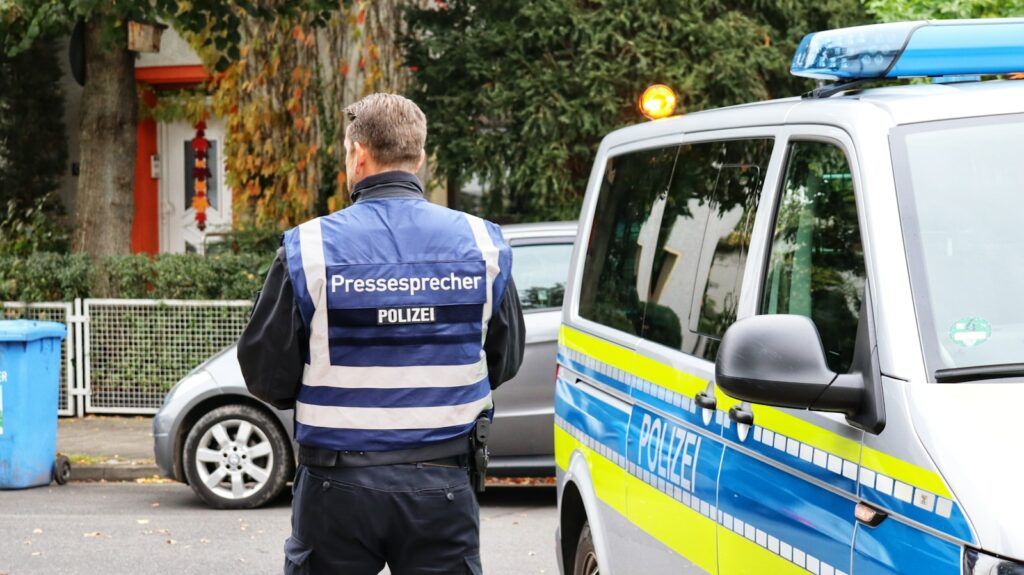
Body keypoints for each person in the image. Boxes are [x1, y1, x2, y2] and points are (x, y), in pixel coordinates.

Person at [237, 93, 525, 575]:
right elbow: (505, 358)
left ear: (358, 154)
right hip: (443, 483)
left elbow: (267, 375)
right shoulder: (483, 243)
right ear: (421, 157)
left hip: (336, 488)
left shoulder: (308, 247)